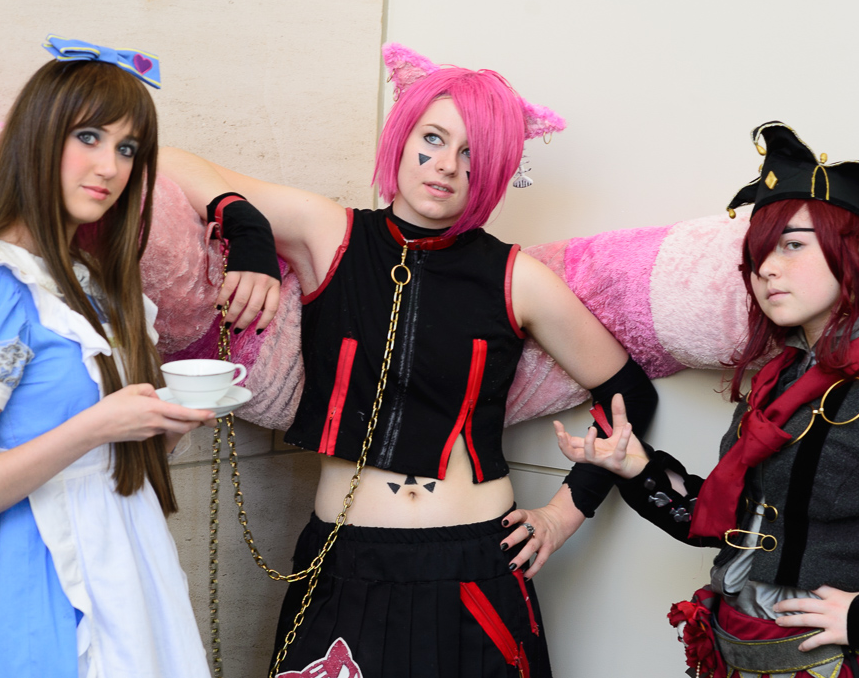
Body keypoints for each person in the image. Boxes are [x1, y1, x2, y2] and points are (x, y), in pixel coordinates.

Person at [160, 43, 658, 678]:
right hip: (343, 564)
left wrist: (564, 515)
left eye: (473, 153)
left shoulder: (515, 278)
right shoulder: (330, 235)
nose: (446, 166)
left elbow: (629, 394)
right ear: (402, 137)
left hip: (475, 568)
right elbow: (170, 163)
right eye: (433, 138)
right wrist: (251, 239)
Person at [556, 121, 859, 678]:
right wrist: (635, 467)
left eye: (792, 246)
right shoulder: (778, 383)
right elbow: (730, 524)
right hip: (736, 651)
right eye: (758, 254)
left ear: (853, 254)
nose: (767, 269)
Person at [0, 37, 218, 678]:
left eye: (127, 148)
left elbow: (106, 451)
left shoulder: (94, 284)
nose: (110, 166)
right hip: (35, 576)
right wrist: (99, 425)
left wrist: (159, 426)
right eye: (90, 137)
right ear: (40, 138)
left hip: (127, 561)